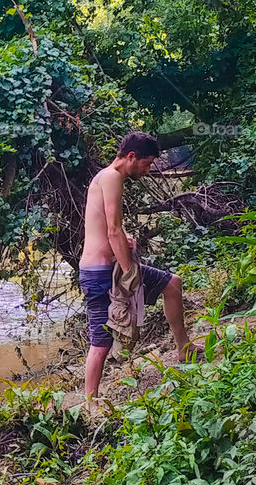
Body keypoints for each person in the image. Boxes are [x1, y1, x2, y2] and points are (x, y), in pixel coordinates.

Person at [78, 131, 195, 402]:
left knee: (172, 283)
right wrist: (129, 271)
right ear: (132, 157)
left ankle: (184, 348)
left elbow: (109, 228)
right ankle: (89, 403)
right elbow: (112, 231)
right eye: (147, 163)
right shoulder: (112, 178)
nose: (149, 168)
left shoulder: (106, 177)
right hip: (100, 274)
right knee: (101, 341)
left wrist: (125, 240)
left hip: (104, 269)